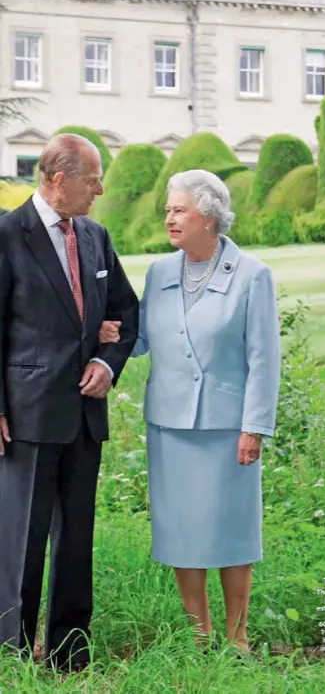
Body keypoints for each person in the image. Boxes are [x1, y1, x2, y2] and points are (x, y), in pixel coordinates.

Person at [100, 169, 280, 654]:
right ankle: (197, 635)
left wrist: (254, 427)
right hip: (170, 425)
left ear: (208, 216)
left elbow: (264, 357)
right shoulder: (159, 272)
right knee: (181, 530)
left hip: (227, 428)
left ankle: (237, 636)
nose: (169, 218)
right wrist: (111, 337)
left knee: (232, 530)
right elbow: (145, 339)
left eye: (178, 209)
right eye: (167, 210)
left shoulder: (253, 275)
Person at [0, 133, 139, 672]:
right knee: (21, 543)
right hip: (26, 416)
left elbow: (126, 312)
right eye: (92, 179)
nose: (100, 190)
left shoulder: (96, 236)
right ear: (59, 179)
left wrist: (105, 360)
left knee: (76, 542)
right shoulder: (8, 234)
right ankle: (10, 652)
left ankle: (68, 653)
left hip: (84, 416)